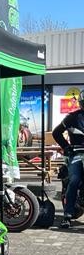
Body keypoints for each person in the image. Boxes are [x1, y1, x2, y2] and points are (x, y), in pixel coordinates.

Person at [52, 89, 84, 228]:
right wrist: (66, 147)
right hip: (77, 154)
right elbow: (56, 133)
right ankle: (67, 215)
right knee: (74, 179)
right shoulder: (72, 117)